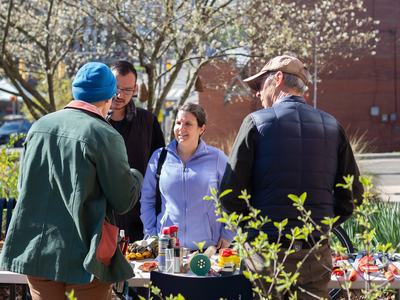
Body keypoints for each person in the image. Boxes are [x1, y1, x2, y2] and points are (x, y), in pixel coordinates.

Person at [220, 55, 363, 299]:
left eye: (260, 85)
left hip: (267, 255)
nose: (257, 93)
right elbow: (352, 195)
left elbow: (229, 193)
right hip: (314, 255)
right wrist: (321, 225)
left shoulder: (255, 123)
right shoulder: (331, 126)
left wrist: (253, 230)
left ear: (277, 79)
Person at [0, 62, 143, 300]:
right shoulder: (105, 134)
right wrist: (136, 176)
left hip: (36, 253)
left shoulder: (39, 127)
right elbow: (123, 200)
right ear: (109, 97)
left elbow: (23, 188)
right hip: (84, 258)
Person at [140, 103, 233, 250]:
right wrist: (151, 233)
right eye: (178, 123)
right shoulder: (159, 157)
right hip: (167, 247)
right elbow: (147, 199)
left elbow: (233, 197)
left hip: (207, 248)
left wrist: (228, 234)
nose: (181, 129)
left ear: (201, 129)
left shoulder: (217, 158)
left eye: (188, 124)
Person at [109, 60, 165, 243]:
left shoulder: (147, 121)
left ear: (134, 90)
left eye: (127, 90)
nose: (119, 94)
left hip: (138, 214)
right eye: (116, 87)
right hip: (103, 213)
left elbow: (160, 167)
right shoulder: (93, 120)